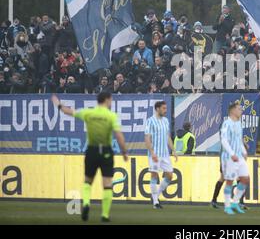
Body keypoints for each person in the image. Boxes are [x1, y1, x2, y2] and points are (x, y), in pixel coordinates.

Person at [51, 92, 128, 222]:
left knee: (87, 181)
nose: (111, 102)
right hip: (106, 151)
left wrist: (57, 104)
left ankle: (86, 203)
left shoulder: (88, 113)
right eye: (111, 100)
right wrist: (125, 152)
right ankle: (104, 215)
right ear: (107, 100)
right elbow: (119, 136)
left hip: (91, 151)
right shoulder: (111, 116)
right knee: (107, 184)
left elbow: (67, 111)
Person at [144, 101, 178, 209]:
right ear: (157, 109)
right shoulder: (150, 121)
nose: (165, 110)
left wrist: (174, 150)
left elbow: (167, 137)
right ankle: (155, 203)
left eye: (166, 108)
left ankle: (155, 196)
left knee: (170, 175)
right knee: (154, 175)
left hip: (165, 154)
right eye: (163, 108)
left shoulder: (166, 121)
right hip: (154, 154)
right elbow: (147, 138)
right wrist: (152, 152)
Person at [220, 102, 250, 215]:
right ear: (232, 111)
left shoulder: (238, 124)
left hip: (239, 156)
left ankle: (235, 202)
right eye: (239, 109)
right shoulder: (226, 124)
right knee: (229, 181)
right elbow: (224, 140)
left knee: (245, 179)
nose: (241, 111)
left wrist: (244, 151)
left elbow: (238, 140)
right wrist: (232, 153)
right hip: (230, 157)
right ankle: (227, 206)